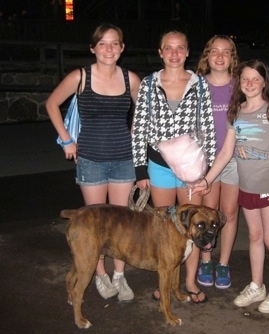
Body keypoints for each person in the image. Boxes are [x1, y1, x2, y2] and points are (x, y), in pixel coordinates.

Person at [46, 23, 141, 301]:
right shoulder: (80, 77)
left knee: (122, 221)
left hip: (124, 158)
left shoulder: (130, 79)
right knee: (96, 222)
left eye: (114, 43)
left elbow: (143, 110)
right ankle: (100, 274)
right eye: (103, 43)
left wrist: (135, 134)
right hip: (90, 158)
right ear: (93, 48)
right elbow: (51, 104)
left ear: (122, 48)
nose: (109, 49)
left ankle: (119, 275)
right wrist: (66, 139)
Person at [193, 59, 269, 313]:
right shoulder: (235, 112)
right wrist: (207, 179)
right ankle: (257, 284)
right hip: (246, 186)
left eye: (255, 79)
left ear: (264, 82)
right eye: (245, 79)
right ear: (239, 82)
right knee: (255, 236)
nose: (250, 83)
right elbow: (226, 152)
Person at [131, 30, 216, 303]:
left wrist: (208, 171)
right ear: (160, 52)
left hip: (192, 169)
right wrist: (140, 170)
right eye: (169, 48)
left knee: (195, 229)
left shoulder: (199, 84)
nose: (175, 53)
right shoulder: (148, 84)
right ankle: (166, 282)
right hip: (159, 165)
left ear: (188, 52)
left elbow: (208, 128)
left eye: (180, 48)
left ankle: (189, 282)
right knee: (165, 228)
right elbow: (140, 128)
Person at [196, 35, 239, 289]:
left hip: (234, 160)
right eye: (215, 51)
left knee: (230, 213)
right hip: (206, 161)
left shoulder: (240, 86)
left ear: (232, 57)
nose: (220, 56)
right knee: (208, 213)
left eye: (226, 52)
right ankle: (205, 260)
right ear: (207, 56)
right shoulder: (196, 85)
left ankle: (223, 263)